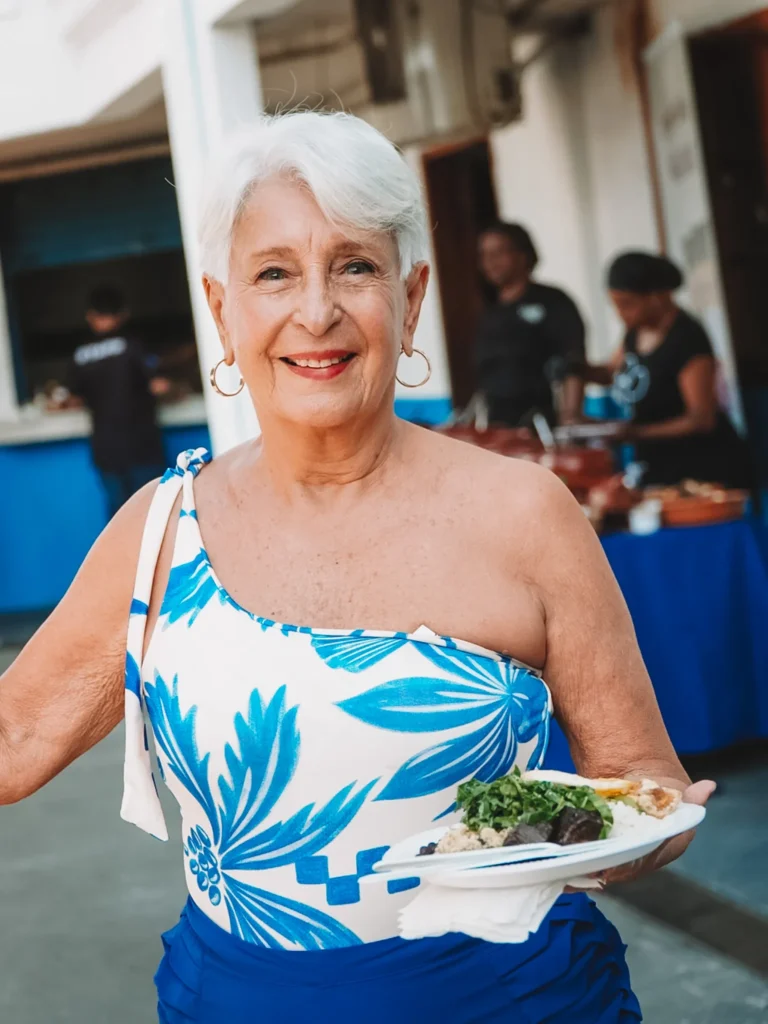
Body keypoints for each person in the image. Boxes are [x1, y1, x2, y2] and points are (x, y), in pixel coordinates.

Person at [0, 113, 712, 1023]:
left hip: (512, 1001)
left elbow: (639, 775)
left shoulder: (525, 512)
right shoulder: (160, 531)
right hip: (242, 1002)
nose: (316, 311)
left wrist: (628, 833)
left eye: (355, 266)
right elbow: (16, 738)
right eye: (273, 274)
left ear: (410, 299)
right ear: (223, 310)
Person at [592, 251, 750, 487]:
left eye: (627, 305)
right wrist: (577, 368)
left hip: (701, 468)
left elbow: (701, 419)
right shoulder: (635, 333)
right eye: (616, 305)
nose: (621, 314)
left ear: (656, 297)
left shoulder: (687, 338)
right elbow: (610, 372)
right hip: (658, 467)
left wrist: (636, 433)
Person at [67, 285, 170, 516]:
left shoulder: (80, 354)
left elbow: (72, 399)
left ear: (91, 316)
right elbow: (160, 386)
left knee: (119, 519)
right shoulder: (134, 345)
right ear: (124, 314)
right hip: (142, 445)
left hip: (106, 449)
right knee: (154, 514)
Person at [475, 222, 586, 426]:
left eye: (499, 253)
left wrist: (570, 416)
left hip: (543, 422)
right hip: (497, 425)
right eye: (484, 255)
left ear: (523, 254)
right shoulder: (490, 312)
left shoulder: (553, 301)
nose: (490, 262)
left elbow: (573, 362)